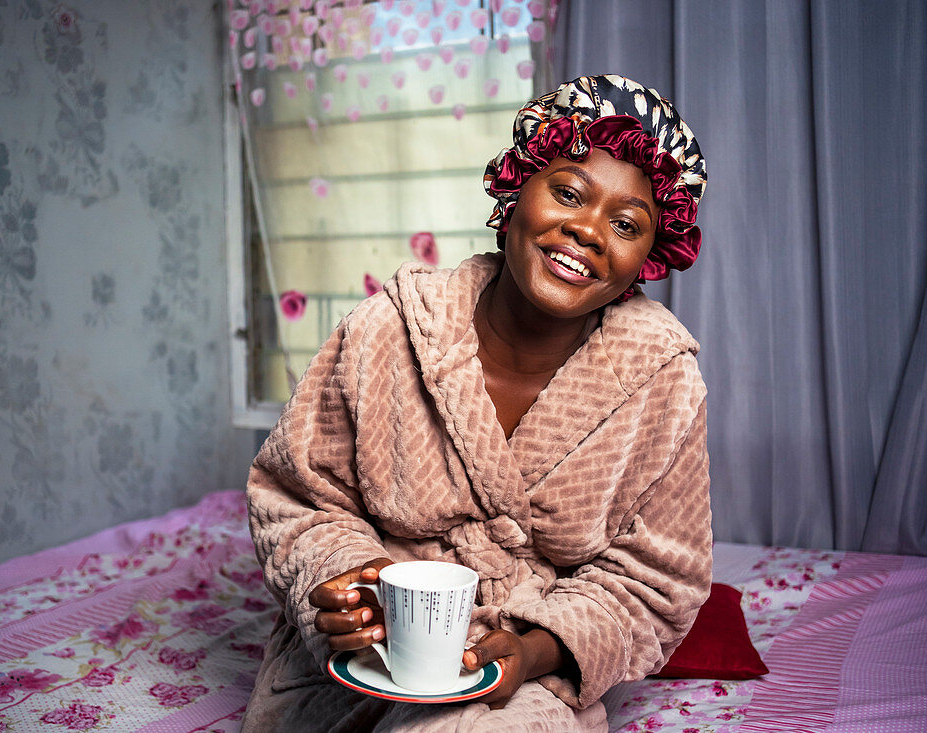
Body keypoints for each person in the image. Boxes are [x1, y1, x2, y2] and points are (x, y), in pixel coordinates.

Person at [243, 74, 712, 731]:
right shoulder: (389, 329)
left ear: (648, 258)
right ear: (518, 188)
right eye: (569, 192)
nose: (588, 230)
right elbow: (295, 494)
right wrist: (347, 581)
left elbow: (655, 578)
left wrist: (531, 648)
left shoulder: (662, 380)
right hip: (365, 644)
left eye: (627, 223)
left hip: (518, 660)